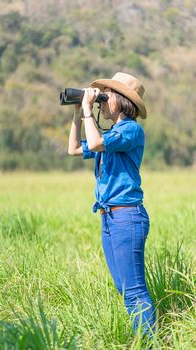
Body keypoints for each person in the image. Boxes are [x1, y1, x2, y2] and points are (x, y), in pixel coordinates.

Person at [68, 72, 156, 342]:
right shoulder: (111, 134)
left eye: (105, 97)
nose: (101, 103)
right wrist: (76, 113)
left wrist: (86, 111)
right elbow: (73, 148)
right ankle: (141, 339)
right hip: (110, 218)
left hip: (127, 217)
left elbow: (95, 143)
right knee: (123, 287)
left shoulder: (130, 129)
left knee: (134, 291)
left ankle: (147, 343)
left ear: (121, 100)